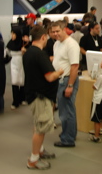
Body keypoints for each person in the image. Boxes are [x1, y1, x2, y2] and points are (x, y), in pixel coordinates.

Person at [23, 25, 64, 170]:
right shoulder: (39, 55)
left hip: (34, 94)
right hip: (40, 97)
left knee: (38, 125)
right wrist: (59, 71)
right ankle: (33, 159)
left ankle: (39, 150)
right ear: (43, 37)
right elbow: (50, 77)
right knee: (40, 128)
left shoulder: (29, 52)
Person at [51, 20, 80, 147]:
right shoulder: (57, 43)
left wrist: (70, 85)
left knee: (66, 112)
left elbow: (74, 66)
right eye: (53, 32)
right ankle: (69, 133)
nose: (55, 34)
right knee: (66, 110)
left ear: (64, 30)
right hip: (59, 80)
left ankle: (68, 139)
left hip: (67, 80)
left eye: (58, 31)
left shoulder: (71, 44)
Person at [7, 27, 26, 110]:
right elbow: (7, 53)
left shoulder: (23, 43)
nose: (12, 35)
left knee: (22, 80)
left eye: (14, 34)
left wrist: (24, 51)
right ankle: (16, 101)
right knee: (15, 81)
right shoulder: (10, 43)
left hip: (22, 62)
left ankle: (23, 98)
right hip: (14, 63)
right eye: (12, 33)